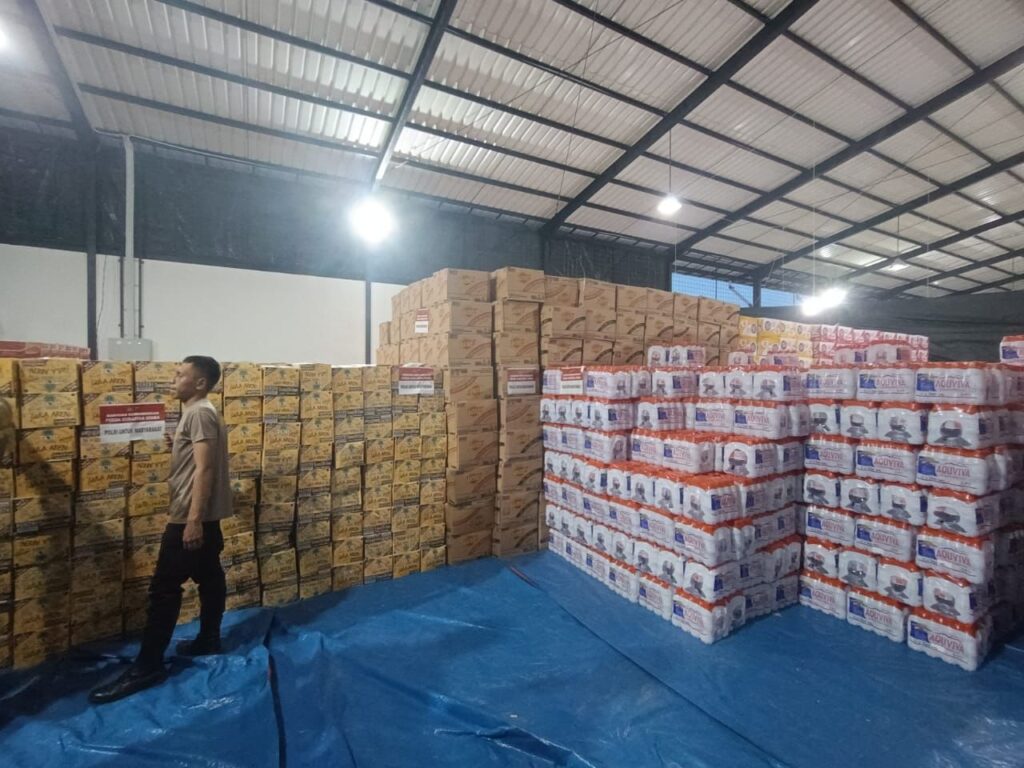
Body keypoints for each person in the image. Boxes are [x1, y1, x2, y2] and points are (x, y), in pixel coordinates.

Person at [90, 356, 233, 704]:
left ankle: (148, 665)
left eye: (180, 375)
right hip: (205, 516)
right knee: (209, 575)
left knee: (164, 589)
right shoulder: (199, 412)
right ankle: (209, 639)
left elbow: (205, 470)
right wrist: (179, 449)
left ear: (200, 383)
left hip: (188, 517)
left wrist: (193, 520)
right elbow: (199, 460)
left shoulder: (199, 413)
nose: (173, 380)